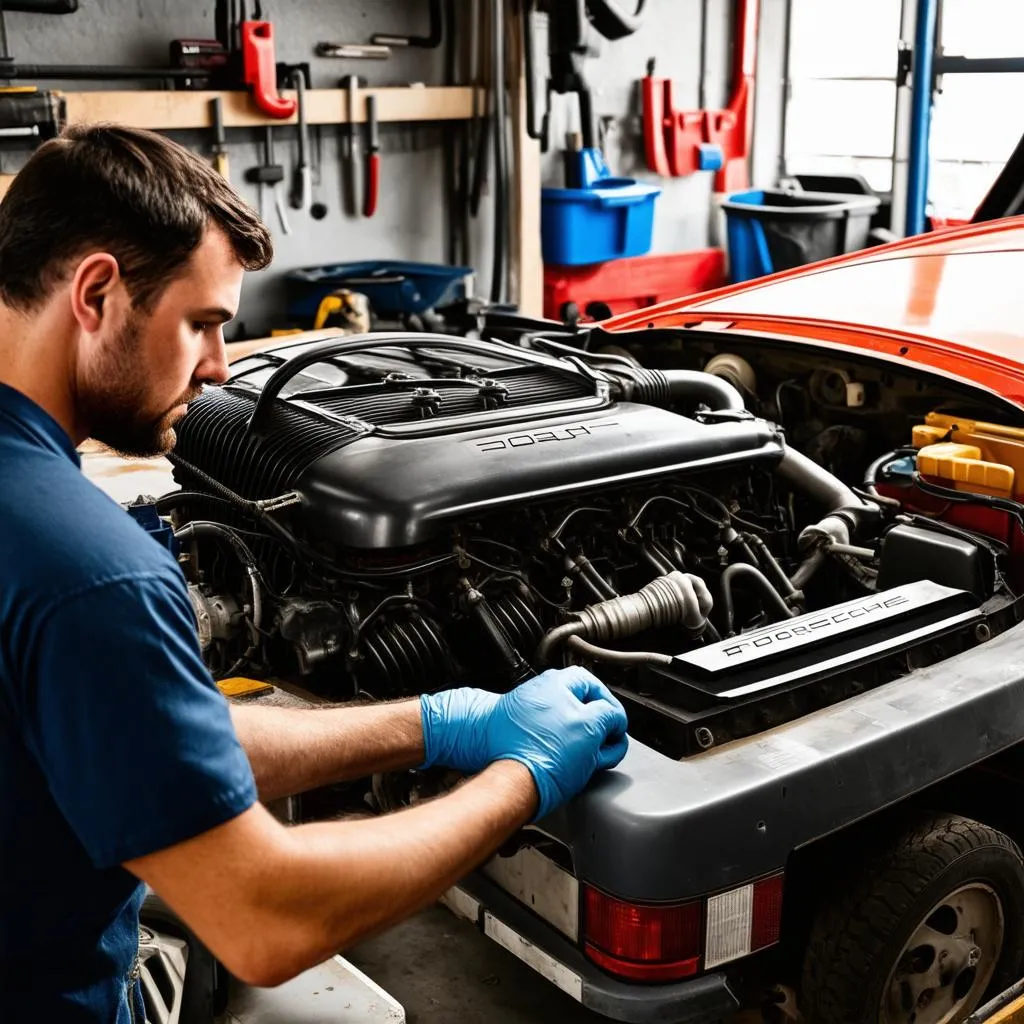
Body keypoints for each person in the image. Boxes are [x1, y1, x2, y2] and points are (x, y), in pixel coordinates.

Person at [0, 124, 629, 1023]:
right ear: (96, 292)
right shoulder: (94, 574)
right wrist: (521, 778)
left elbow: (149, 739)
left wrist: (433, 724)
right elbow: (263, 916)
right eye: (203, 324)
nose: (217, 370)